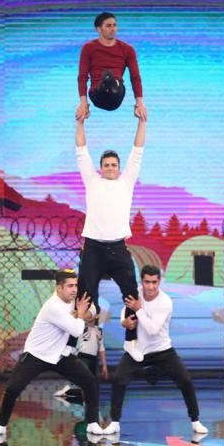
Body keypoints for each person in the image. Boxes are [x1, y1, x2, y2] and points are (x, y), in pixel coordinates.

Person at [0, 270, 105, 438]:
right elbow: (77, 330)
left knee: (89, 381)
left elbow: (94, 309)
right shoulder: (52, 307)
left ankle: (92, 423)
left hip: (60, 355)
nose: (74, 289)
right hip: (37, 354)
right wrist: (80, 315)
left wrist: (83, 313)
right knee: (13, 388)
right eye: (70, 286)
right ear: (59, 288)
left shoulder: (74, 301)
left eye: (75, 285)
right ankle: (1, 426)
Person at [75, 110, 146, 361]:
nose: (110, 168)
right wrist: (80, 123)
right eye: (106, 165)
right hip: (93, 248)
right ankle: (85, 342)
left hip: (118, 248)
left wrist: (142, 121)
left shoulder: (126, 182)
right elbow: (81, 151)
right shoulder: (92, 181)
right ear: (100, 168)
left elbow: (137, 152)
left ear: (119, 167)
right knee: (86, 296)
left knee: (132, 294)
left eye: (114, 165)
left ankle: (130, 341)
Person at [106, 265, 207, 436]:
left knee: (185, 381)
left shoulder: (165, 301)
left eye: (154, 282)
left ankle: (195, 421)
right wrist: (124, 323)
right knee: (118, 380)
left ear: (159, 281)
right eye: (147, 282)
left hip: (162, 351)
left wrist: (139, 309)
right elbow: (125, 311)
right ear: (142, 281)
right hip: (137, 350)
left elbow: (152, 330)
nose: (151, 287)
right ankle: (114, 423)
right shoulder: (135, 294)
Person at [76, 12, 146, 119]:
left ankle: (110, 81)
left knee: (113, 84)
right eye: (108, 26)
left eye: (114, 25)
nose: (113, 29)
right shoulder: (88, 48)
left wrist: (140, 104)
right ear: (99, 29)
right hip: (97, 94)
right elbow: (82, 77)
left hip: (117, 95)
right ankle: (106, 82)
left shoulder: (127, 49)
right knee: (104, 84)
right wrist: (83, 104)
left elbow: (135, 77)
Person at [55, 301, 108, 400]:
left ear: (97, 316)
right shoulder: (82, 327)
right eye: (88, 311)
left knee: (91, 387)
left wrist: (104, 365)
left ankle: (68, 392)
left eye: (92, 312)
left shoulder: (99, 331)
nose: (89, 314)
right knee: (87, 382)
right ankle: (73, 394)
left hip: (93, 359)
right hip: (82, 357)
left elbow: (101, 348)